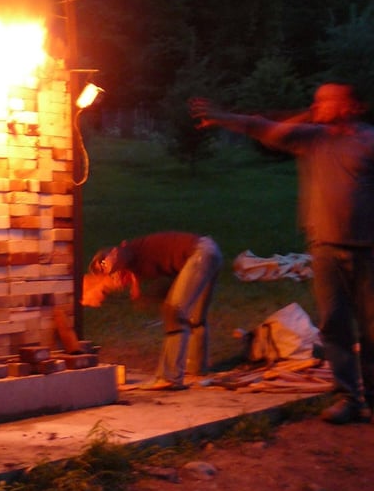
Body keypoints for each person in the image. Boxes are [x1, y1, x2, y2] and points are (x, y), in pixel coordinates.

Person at [190, 83, 374, 424]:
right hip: (326, 249)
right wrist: (222, 117)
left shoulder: (368, 140)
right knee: (335, 326)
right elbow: (263, 128)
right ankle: (349, 397)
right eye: (315, 99)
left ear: (350, 106)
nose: (317, 104)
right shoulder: (313, 137)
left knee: (371, 327)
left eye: (326, 100)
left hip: (368, 250)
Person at [83, 231, 223, 390]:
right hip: (209, 251)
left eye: (103, 264)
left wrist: (112, 266)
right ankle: (196, 369)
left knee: (174, 312)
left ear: (113, 253)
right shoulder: (134, 265)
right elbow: (162, 284)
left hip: (200, 254)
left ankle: (169, 377)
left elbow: (123, 257)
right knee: (194, 317)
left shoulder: (127, 250)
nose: (105, 270)